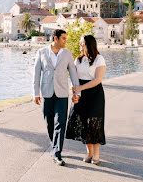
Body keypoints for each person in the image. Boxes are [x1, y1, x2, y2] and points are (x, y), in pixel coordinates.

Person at [33, 28, 81, 166]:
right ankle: (54, 146)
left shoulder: (67, 54)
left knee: (61, 122)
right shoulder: (41, 52)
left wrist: (77, 93)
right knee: (49, 123)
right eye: (64, 38)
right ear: (55, 39)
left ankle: (57, 153)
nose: (66, 40)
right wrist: (36, 93)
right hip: (47, 93)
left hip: (62, 94)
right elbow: (36, 74)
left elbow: (73, 74)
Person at [66, 34, 106, 164]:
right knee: (83, 123)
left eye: (82, 43)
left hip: (95, 94)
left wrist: (81, 88)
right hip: (81, 94)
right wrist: (75, 93)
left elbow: (98, 80)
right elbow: (74, 78)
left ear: (89, 44)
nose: (80, 45)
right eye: (80, 43)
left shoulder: (99, 59)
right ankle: (89, 153)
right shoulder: (78, 59)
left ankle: (96, 154)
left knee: (94, 123)